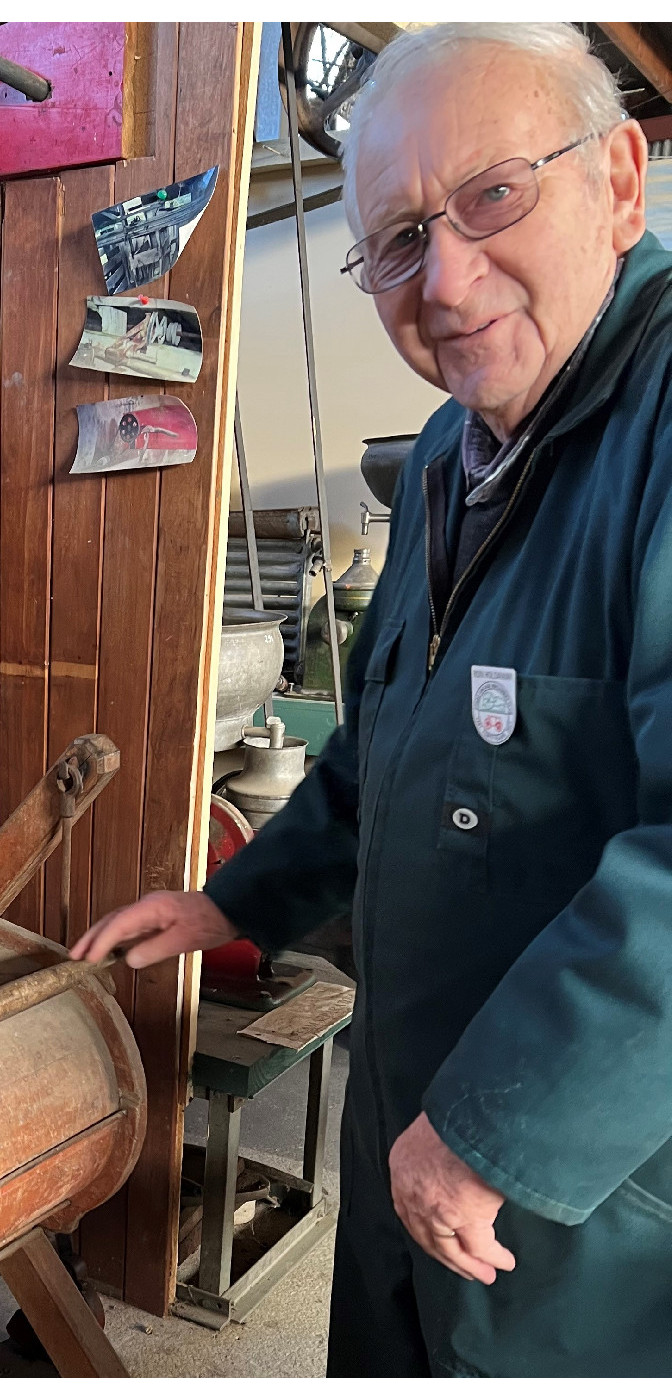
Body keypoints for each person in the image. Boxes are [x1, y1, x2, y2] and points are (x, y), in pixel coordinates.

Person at [71, 22, 672, 1377]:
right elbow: (388, 746)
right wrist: (239, 898)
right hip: (412, 1119)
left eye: (493, 197)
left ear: (623, 179)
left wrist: (499, 1131)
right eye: (398, 239)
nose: (446, 279)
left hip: (591, 1189)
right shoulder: (459, 447)